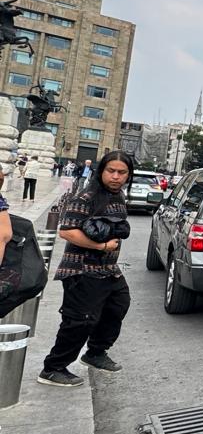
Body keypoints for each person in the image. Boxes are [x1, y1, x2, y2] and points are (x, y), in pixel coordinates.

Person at [37, 151, 133, 388]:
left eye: (122, 172)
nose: (116, 176)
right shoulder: (86, 197)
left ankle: (95, 353)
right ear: (101, 171)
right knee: (80, 320)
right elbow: (67, 231)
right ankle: (53, 368)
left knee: (118, 306)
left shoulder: (118, 196)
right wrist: (101, 245)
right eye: (111, 171)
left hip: (108, 269)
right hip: (81, 269)